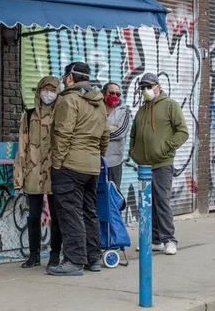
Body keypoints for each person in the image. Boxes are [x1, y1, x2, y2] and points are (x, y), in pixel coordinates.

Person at [47, 62, 110, 276]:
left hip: (70, 165)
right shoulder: (99, 102)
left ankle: (74, 261)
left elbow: (62, 134)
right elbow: (105, 135)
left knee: (70, 213)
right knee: (89, 212)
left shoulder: (69, 99)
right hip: (92, 166)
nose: (64, 80)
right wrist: (96, 155)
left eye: (65, 76)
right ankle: (93, 258)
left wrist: (57, 162)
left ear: (70, 78)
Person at [129, 72, 189, 256]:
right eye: (143, 87)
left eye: (149, 86)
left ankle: (169, 239)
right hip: (144, 166)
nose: (146, 90)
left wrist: (166, 148)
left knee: (162, 201)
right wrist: (134, 152)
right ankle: (154, 240)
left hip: (162, 163)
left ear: (158, 86)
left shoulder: (170, 105)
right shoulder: (142, 109)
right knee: (147, 203)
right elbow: (133, 134)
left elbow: (182, 131)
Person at [14, 76, 63, 269]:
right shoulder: (29, 115)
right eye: (45, 88)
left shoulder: (61, 113)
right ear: (39, 90)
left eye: (53, 89)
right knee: (33, 215)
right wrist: (19, 174)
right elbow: (22, 145)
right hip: (33, 172)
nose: (48, 92)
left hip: (55, 171)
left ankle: (55, 255)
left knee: (56, 216)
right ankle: (34, 255)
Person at [102, 82, 131, 188]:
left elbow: (121, 132)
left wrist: (100, 132)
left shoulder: (123, 112)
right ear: (103, 94)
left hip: (114, 163)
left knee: (112, 197)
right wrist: (110, 128)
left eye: (117, 94)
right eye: (111, 93)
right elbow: (89, 130)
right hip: (95, 162)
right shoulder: (95, 110)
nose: (115, 96)